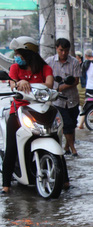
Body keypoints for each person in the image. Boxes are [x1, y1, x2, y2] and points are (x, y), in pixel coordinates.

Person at [2, 36, 54, 194]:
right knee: (11, 146)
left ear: (28, 54)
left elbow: (50, 85)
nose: (16, 56)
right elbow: (12, 84)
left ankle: (63, 178)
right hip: (19, 111)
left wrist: (28, 84)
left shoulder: (45, 68)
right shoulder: (15, 68)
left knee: (55, 137)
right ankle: (6, 185)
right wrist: (18, 83)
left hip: (41, 110)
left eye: (18, 53)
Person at [46, 38, 82, 157]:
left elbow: (76, 81)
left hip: (72, 99)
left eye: (66, 51)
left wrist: (62, 87)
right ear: (57, 48)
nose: (63, 53)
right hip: (57, 100)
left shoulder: (74, 62)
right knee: (66, 124)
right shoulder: (49, 62)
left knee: (72, 124)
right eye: (61, 50)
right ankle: (73, 149)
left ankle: (66, 146)